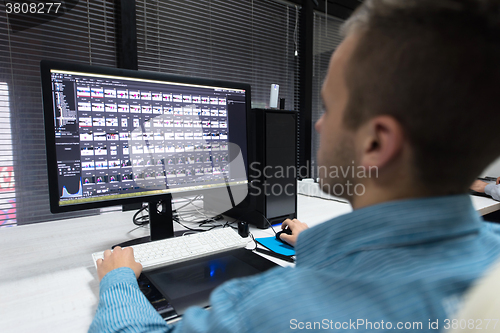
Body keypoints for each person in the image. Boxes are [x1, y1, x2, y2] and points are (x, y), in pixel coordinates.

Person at [89, 0, 500, 332]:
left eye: (329, 106)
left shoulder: (270, 310)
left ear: (376, 143)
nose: (319, 124)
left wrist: (118, 280)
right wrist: (317, 246)